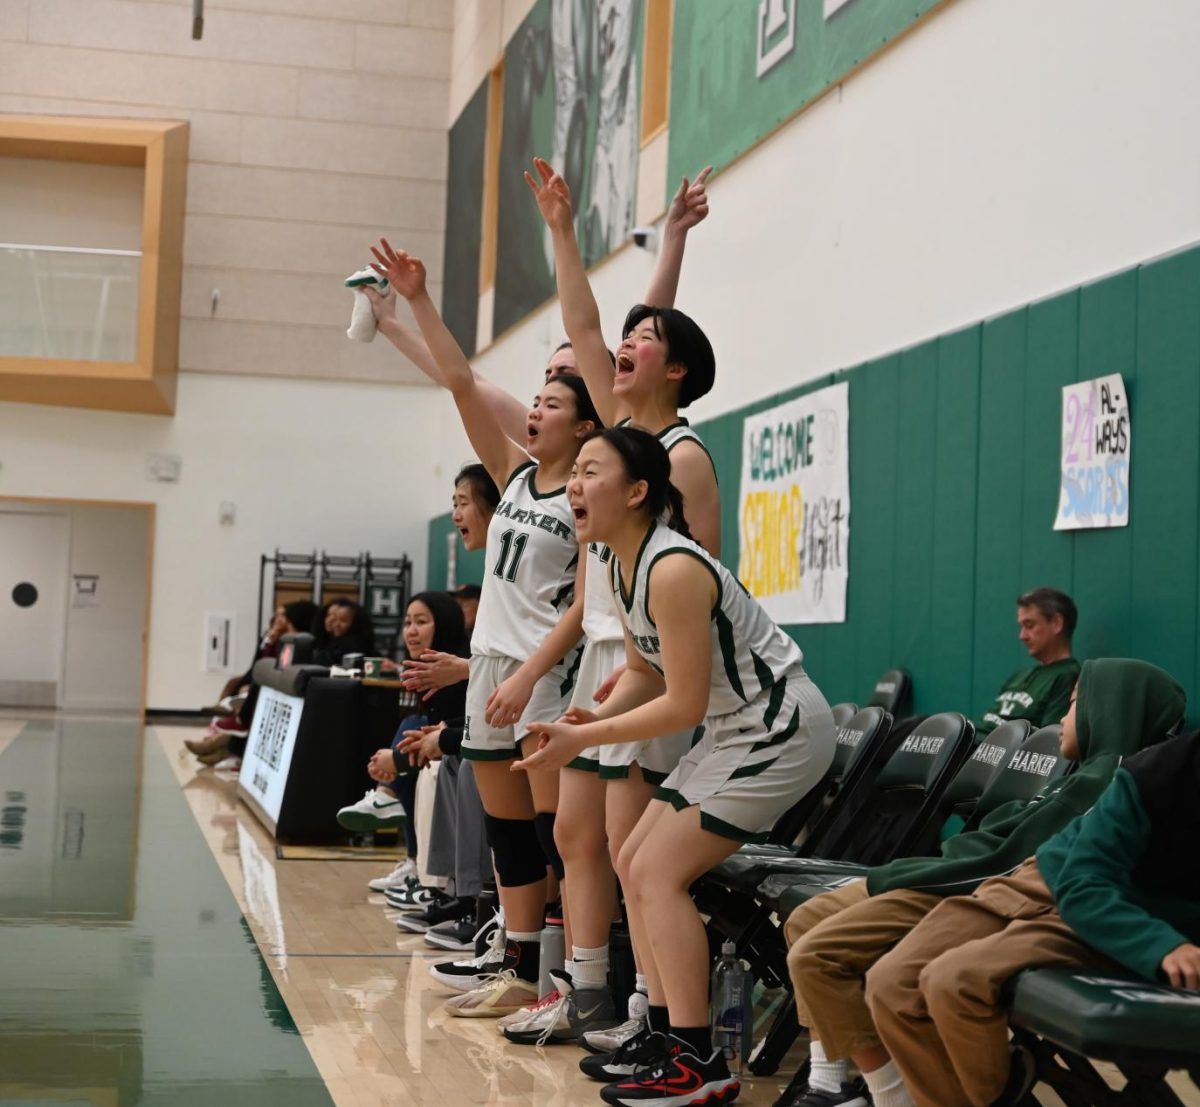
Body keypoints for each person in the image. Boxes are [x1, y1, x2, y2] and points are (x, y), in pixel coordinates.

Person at [516, 427, 837, 1106]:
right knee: (633, 859)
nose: (573, 483)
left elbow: (682, 700)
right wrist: (587, 719)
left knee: (656, 870)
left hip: (779, 727)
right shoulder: (616, 563)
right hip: (737, 727)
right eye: (572, 471)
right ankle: (666, 1036)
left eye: (590, 470)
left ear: (637, 492)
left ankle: (700, 1060)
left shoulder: (673, 568)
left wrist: (592, 734)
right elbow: (642, 670)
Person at [495, 158, 722, 1049]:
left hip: (652, 665)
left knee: (633, 854)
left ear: (676, 369)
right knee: (580, 839)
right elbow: (593, 319)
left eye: (647, 340)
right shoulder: (626, 432)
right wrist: (560, 226)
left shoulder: (684, 455)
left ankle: (652, 1016)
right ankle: (587, 991)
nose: (621, 346)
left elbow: (705, 579)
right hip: (601, 651)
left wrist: (672, 250)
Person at [779, 658, 1184, 1107]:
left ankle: (889, 1094)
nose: (1061, 719)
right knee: (807, 922)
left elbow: (1010, 867)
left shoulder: (1119, 778)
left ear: (1107, 709)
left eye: (1072, 706)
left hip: (983, 887)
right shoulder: (1085, 772)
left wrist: (906, 872)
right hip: (973, 879)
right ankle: (831, 1084)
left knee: (836, 959)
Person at [369, 237, 602, 1019]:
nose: (535, 408)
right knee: (508, 839)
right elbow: (461, 379)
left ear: (586, 424)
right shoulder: (514, 474)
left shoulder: (590, 496)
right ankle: (522, 970)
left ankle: (570, 986)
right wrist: (418, 301)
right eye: (536, 399)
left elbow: (587, 607)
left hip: (544, 673)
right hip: (492, 666)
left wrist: (531, 675)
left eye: (554, 401)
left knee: (554, 837)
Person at [187, 599, 318, 764]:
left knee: (255, 712)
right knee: (241, 687)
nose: (280, 620)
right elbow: (260, 665)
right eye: (277, 615)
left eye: (284, 617)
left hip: (284, 696)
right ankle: (221, 740)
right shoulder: (283, 638)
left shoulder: (301, 642)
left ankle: (224, 741)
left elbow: (272, 667)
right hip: (272, 689)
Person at [978, 587, 1079, 734]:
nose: (1022, 636)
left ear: (1057, 623)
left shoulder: (1068, 676)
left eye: (1030, 625)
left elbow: (1047, 742)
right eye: (1021, 627)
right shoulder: (1018, 676)